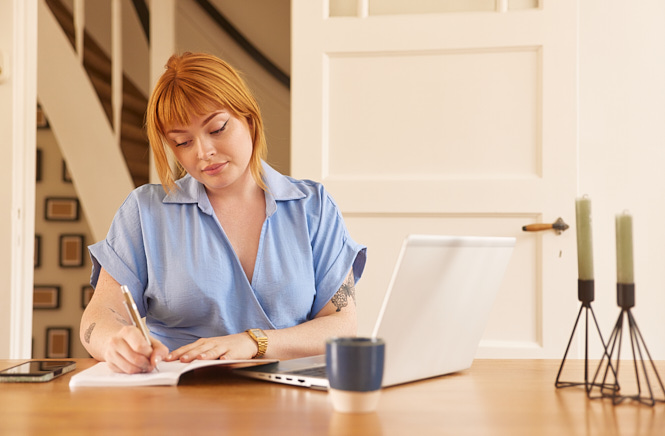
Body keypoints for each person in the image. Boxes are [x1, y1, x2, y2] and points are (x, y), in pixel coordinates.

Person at [80, 52, 366, 374]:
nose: (204, 152)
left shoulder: (313, 207)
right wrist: (113, 342)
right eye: (183, 142)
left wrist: (253, 342)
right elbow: (98, 316)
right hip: (179, 403)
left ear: (248, 117)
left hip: (292, 401)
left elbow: (342, 325)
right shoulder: (146, 213)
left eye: (217, 129)